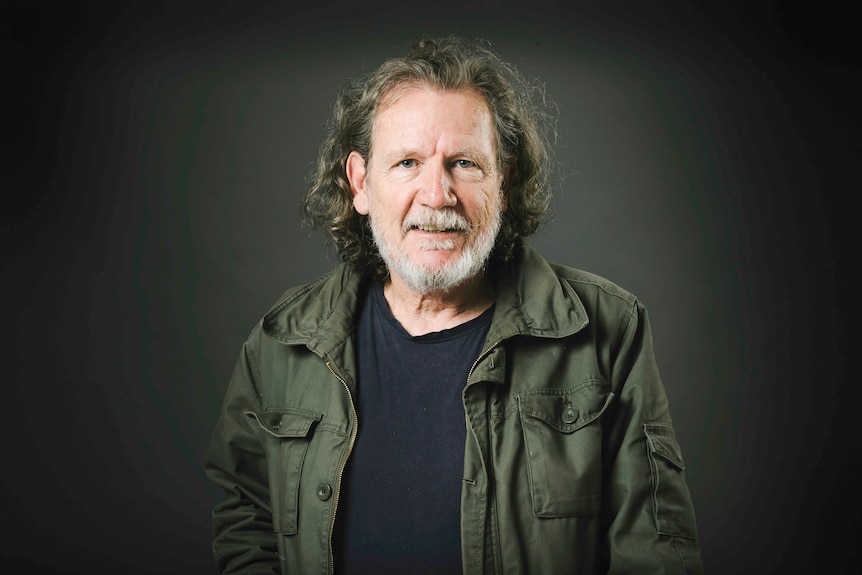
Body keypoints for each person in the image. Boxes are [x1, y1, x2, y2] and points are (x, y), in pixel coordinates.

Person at [204, 36, 704, 574]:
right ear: (360, 184)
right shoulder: (282, 343)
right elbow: (245, 522)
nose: (437, 193)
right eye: (407, 163)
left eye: (464, 163)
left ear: (504, 182)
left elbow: (657, 554)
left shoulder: (607, 331)